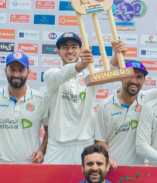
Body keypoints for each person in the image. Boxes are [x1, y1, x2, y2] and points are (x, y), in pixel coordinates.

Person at [43, 33, 126, 164]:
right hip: (58, 146)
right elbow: (64, 73)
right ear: (58, 52)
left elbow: (109, 71)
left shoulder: (89, 77)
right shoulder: (51, 75)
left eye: (74, 46)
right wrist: (82, 64)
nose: (70, 50)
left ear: (81, 50)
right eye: (65, 47)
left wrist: (117, 55)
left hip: (85, 144)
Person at [0, 52, 49, 164]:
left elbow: (49, 130)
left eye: (21, 70)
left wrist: (42, 150)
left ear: (29, 72)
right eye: (12, 69)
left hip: (31, 164)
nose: (16, 75)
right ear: (5, 71)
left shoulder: (41, 99)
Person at [94, 61, 149, 168]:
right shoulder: (105, 106)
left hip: (138, 170)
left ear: (144, 80)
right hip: (112, 168)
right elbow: (100, 140)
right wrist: (107, 159)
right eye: (129, 76)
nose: (134, 81)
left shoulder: (148, 99)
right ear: (120, 76)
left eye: (139, 77)